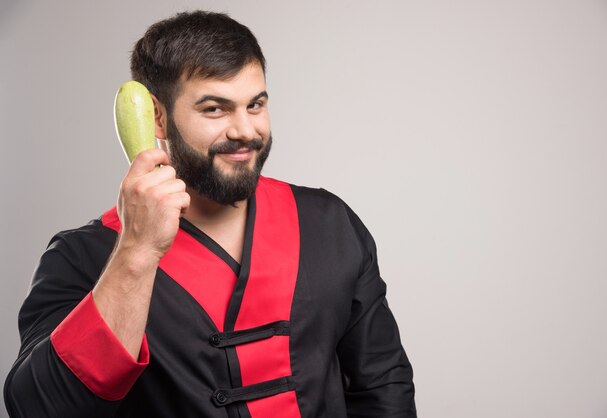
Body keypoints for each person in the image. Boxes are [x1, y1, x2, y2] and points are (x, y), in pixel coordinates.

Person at [3, 11, 416, 418]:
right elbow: (38, 408)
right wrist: (138, 251)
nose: (245, 131)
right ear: (157, 118)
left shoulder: (328, 222)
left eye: (255, 105)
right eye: (215, 109)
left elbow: (383, 385)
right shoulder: (84, 256)